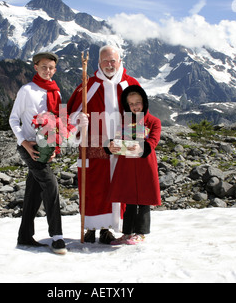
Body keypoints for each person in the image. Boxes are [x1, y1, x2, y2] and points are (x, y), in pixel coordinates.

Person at [67, 45, 140, 244]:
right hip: (93, 146)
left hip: (120, 147)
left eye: (113, 61)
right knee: (93, 187)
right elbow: (71, 113)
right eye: (105, 61)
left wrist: (136, 142)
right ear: (98, 63)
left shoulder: (130, 84)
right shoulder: (87, 85)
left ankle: (108, 229)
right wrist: (78, 119)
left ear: (119, 61)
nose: (109, 65)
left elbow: (140, 115)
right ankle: (90, 227)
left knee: (117, 187)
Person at [9, 52, 67, 254]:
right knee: (50, 184)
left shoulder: (57, 92)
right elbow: (13, 119)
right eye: (43, 67)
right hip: (29, 146)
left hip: (45, 146)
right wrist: (23, 142)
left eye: (51, 67)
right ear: (35, 67)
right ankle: (57, 236)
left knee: (33, 192)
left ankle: (24, 235)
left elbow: (58, 122)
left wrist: (53, 149)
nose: (47, 71)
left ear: (55, 69)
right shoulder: (27, 90)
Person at [106, 85, 161, 245]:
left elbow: (154, 140)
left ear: (144, 102)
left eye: (138, 102)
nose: (135, 106)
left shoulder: (153, 121)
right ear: (126, 106)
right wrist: (111, 146)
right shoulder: (124, 122)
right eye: (131, 104)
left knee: (144, 199)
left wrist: (142, 147)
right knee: (129, 199)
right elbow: (117, 140)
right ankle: (127, 232)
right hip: (127, 165)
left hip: (145, 164)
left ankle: (141, 232)